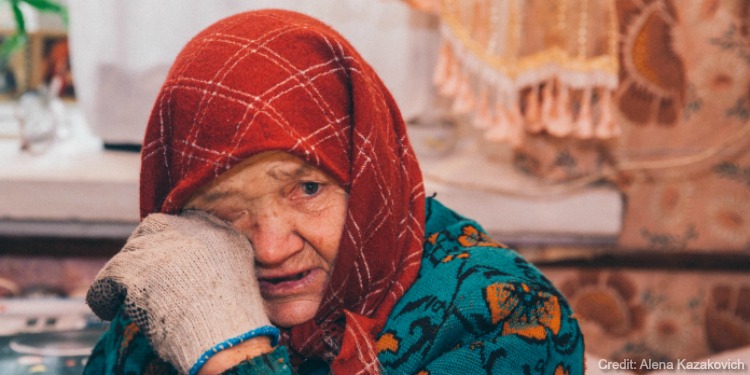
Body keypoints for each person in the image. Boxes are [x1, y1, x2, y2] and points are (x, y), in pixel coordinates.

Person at [84, 9, 584, 375]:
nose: (271, 247)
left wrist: (230, 351)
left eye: (307, 188)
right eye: (224, 211)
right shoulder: (177, 288)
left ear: (370, 181)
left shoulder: (509, 316)